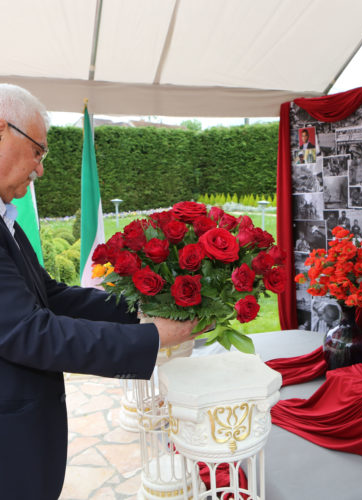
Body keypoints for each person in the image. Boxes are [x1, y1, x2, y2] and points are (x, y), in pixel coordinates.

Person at [0, 84, 201, 499]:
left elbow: (51, 295)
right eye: (39, 150)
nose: (40, 169)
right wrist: (156, 337)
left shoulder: (7, 219)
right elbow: (29, 332)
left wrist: (140, 306)